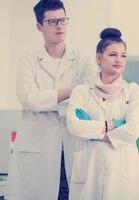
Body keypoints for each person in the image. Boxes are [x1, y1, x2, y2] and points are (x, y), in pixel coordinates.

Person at [6, 0, 94, 199]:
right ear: (39, 26)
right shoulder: (28, 61)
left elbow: (89, 98)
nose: (59, 26)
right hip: (38, 149)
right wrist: (71, 92)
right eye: (53, 22)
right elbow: (29, 99)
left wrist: (49, 99)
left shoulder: (83, 62)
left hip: (71, 146)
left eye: (63, 20)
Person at [66, 28, 139, 200]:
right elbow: (74, 126)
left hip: (122, 174)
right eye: (112, 54)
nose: (119, 60)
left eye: (123, 55)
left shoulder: (133, 92)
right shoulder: (81, 92)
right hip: (89, 171)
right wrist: (109, 125)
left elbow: (133, 130)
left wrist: (94, 132)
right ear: (98, 57)